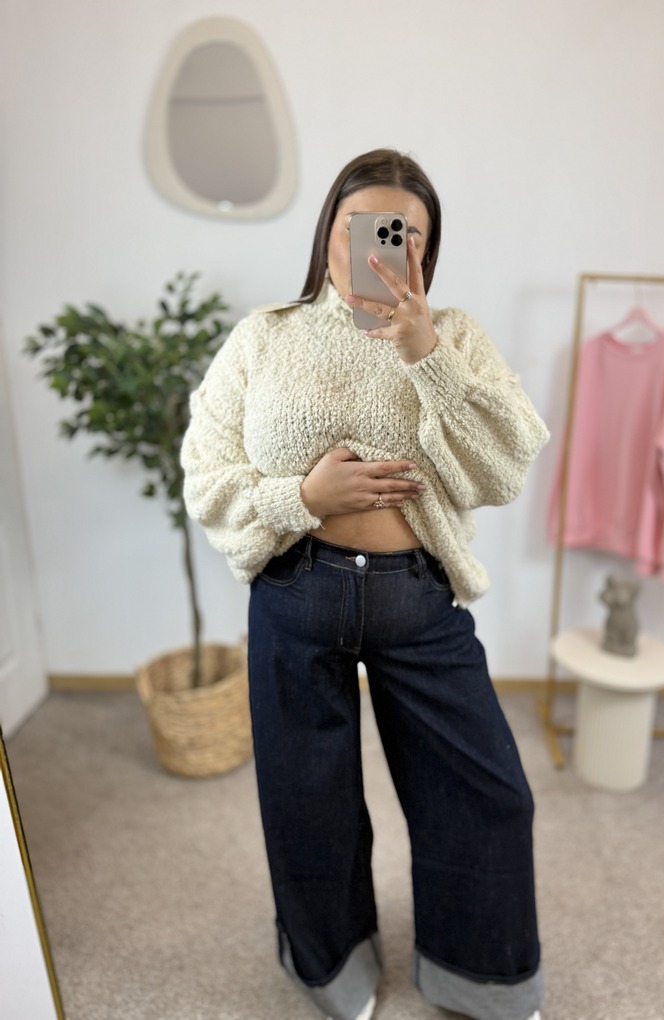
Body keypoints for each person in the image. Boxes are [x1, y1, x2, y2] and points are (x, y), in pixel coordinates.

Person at [181, 149, 550, 1020]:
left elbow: (503, 469)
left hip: (416, 598)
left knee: (487, 794)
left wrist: (427, 357)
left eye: (406, 234)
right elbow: (205, 473)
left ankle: (480, 976)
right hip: (294, 594)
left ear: (426, 249)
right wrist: (303, 498)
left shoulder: (453, 336)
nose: (385, 247)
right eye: (367, 227)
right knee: (306, 802)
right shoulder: (264, 336)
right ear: (330, 233)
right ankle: (331, 967)